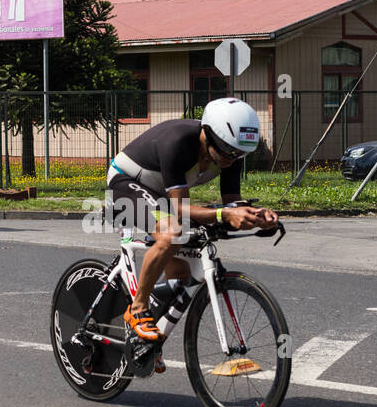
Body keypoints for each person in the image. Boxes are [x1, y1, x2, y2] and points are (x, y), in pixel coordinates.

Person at [107, 97, 278, 342]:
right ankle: (137, 309)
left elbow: (232, 200)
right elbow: (179, 209)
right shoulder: (178, 141)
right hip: (127, 182)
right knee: (172, 232)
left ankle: (145, 343)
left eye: (240, 154)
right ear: (207, 135)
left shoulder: (229, 151)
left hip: (162, 196)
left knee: (180, 275)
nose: (232, 159)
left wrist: (256, 215)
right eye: (228, 152)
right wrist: (223, 214)